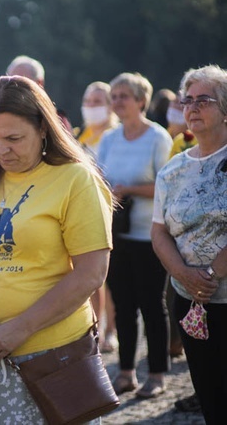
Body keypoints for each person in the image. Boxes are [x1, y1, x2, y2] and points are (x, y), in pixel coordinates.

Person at [0, 75, 112, 423]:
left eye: (14, 138)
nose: (1, 149)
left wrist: (20, 329)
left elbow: (92, 272)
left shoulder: (75, 179)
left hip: (55, 358)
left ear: (44, 128)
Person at [151, 65, 227, 424]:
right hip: (189, 302)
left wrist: (209, 275)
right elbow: (159, 232)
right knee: (209, 395)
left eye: (204, 100)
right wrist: (183, 274)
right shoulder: (172, 170)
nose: (193, 107)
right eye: (188, 100)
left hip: (221, 294)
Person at [97, 72, 173, 398]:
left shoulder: (157, 137)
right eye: (113, 96)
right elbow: (97, 177)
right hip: (117, 234)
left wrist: (129, 189)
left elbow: (167, 184)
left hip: (149, 235)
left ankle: (156, 374)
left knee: (152, 305)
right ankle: (126, 372)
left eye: (124, 95)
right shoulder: (109, 139)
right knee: (124, 305)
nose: (117, 102)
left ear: (141, 100)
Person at [75, 81, 118, 352]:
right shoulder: (79, 134)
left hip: (110, 207)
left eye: (98, 101)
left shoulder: (115, 135)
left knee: (107, 276)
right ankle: (93, 326)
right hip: (81, 208)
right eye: (88, 100)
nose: (91, 106)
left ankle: (109, 330)